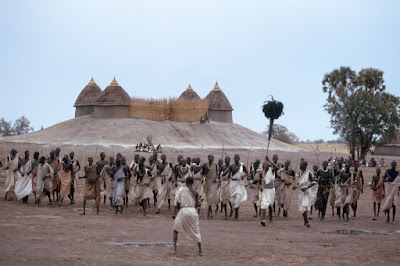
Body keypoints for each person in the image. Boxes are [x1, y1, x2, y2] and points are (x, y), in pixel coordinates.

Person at [172, 176, 202, 256]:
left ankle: (174, 249)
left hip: (183, 210)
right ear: (193, 183)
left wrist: (179, 212)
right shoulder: (196, 192)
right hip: (193, 211)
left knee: (175, 229)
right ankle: (200, 251)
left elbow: (177, 202)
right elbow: (197, 205)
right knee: (196, 230)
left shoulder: (181, 190)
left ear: (186, 182)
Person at [295, 161, 317, 228]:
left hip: (306, 192)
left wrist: (306, 187)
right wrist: (295, 186)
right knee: (301, 208)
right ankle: (307, 222)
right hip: (301, 192)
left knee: (304, 207)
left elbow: (314, 182)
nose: (300, 165)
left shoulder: (308, 173)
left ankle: (305, 223)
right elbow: (299, 183)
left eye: (301, 164)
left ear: (304, 166)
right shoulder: (300, 173)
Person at [229, 154, 248, 221]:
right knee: (232, 201)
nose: (236, 158)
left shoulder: (242, 166)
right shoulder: (231, 166)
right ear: (234, 158)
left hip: (239, 184)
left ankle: (236, 216)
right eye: (235, 157)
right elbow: (228, 174)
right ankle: (234, 210)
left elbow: (247, 173)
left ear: (239, 158)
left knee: (238, 198)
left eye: (237, 157)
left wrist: (243, 176)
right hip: (233, 184)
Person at [258, 157, 276, 226]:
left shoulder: (272, 170)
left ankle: (270, 216)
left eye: (267, 166)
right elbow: (260, 182)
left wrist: (269, 160)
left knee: (270, 205)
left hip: (271, 190)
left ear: (269, 166)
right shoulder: (261, 172)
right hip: (264, 190)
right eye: (264, 166)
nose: (265, 167)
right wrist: (260, 187)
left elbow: (277, 168)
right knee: (263, 204)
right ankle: (263, 220)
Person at [202, 154, 219, 219]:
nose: (212, 158)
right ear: (208, 158)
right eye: (211, 157)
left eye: (213, 157)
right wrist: (204, 177)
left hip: (213, 183)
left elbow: (217, 173)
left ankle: (209, 213)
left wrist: (216, 178)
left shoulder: (215, 165)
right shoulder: (205, 165)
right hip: (207, 182)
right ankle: (210, 211)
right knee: (207, 196)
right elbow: (202, 173)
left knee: (210, 196)